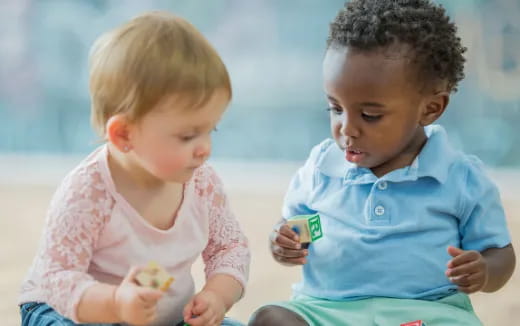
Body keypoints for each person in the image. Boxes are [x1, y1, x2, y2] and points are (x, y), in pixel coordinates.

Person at [249, 0, 515, 325]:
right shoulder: (321, 167)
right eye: (335, 108)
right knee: (270, 317)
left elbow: (500, 254)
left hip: (425, 314)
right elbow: (298, 227)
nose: (346, 128)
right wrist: (284, 242)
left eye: (370, 115)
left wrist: (485, 271)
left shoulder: (461, 179)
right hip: (326, 311)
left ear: (430, 109)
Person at [19, 11, 249, 326]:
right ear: (124, 134)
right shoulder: (88, 192)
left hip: (164, 317)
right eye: (187, 136)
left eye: (212, 130)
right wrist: (115, 303)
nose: (205, 148)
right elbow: (57, 277)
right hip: (72, 311)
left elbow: (230, 247)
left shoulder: (202, 184)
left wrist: (217, 296)